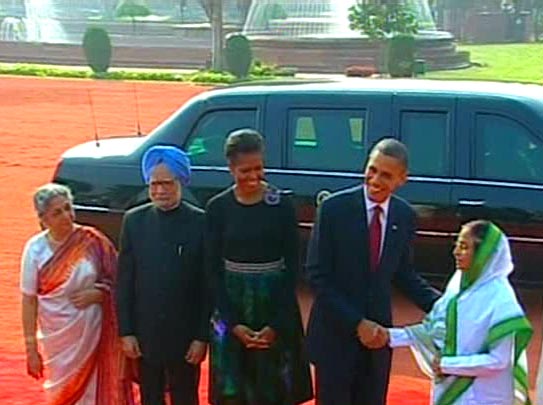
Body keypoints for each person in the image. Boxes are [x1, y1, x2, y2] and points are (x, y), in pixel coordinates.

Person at [306, 138, 440, 405]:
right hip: (336, 337)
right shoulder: (334, 209)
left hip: (377, 342)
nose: (375, 179)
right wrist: (357, 323)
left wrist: (444, 305)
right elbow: (317, 275)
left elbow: (402, 273)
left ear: (403, 179)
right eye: (372, 169)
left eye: (386, 175)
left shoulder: (403, 216)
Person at [206, 129, 313, 405]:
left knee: (274, 390)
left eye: (258, 168)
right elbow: (212, 269)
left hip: (275, 305)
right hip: (232, 306)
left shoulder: (282, 206)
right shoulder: (218, 208)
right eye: (245, 170)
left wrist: (275, 324)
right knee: (234, 392)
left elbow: (292, 268)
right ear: (230, 168)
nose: (253, 177)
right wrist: (233, 324)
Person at [385, 220, 532, 405]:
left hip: (484, 396)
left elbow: (499, 360)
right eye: (457, 245)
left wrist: (448, 365)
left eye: (464, 247)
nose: (456, 252)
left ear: (483, 255)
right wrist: (389, 336)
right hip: (452, 390)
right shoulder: (458, 285)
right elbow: (435, 331)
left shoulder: (501, 301)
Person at [20, 183, 133, 405]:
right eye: (57, 212)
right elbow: (28, 299)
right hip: (57, 339)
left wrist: (100, 294)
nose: (66, 216)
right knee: (62, 392)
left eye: (68, 208)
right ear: (43, 219)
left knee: (96, 391)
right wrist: (31, 347)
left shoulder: (93, 241)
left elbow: (121, 281)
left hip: (96, 332)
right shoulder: (34, 250)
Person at [116, 145, 209, 405]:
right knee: (150, 397)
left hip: (186, 337)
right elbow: (124, 282)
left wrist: (201, 337)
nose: (160, 191)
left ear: (181, 182)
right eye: (154, 184)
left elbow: (207, 286)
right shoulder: (134, 221)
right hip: (146, 336)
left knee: (185, 397)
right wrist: (127, 332)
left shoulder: (201, 222)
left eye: (167, 184)